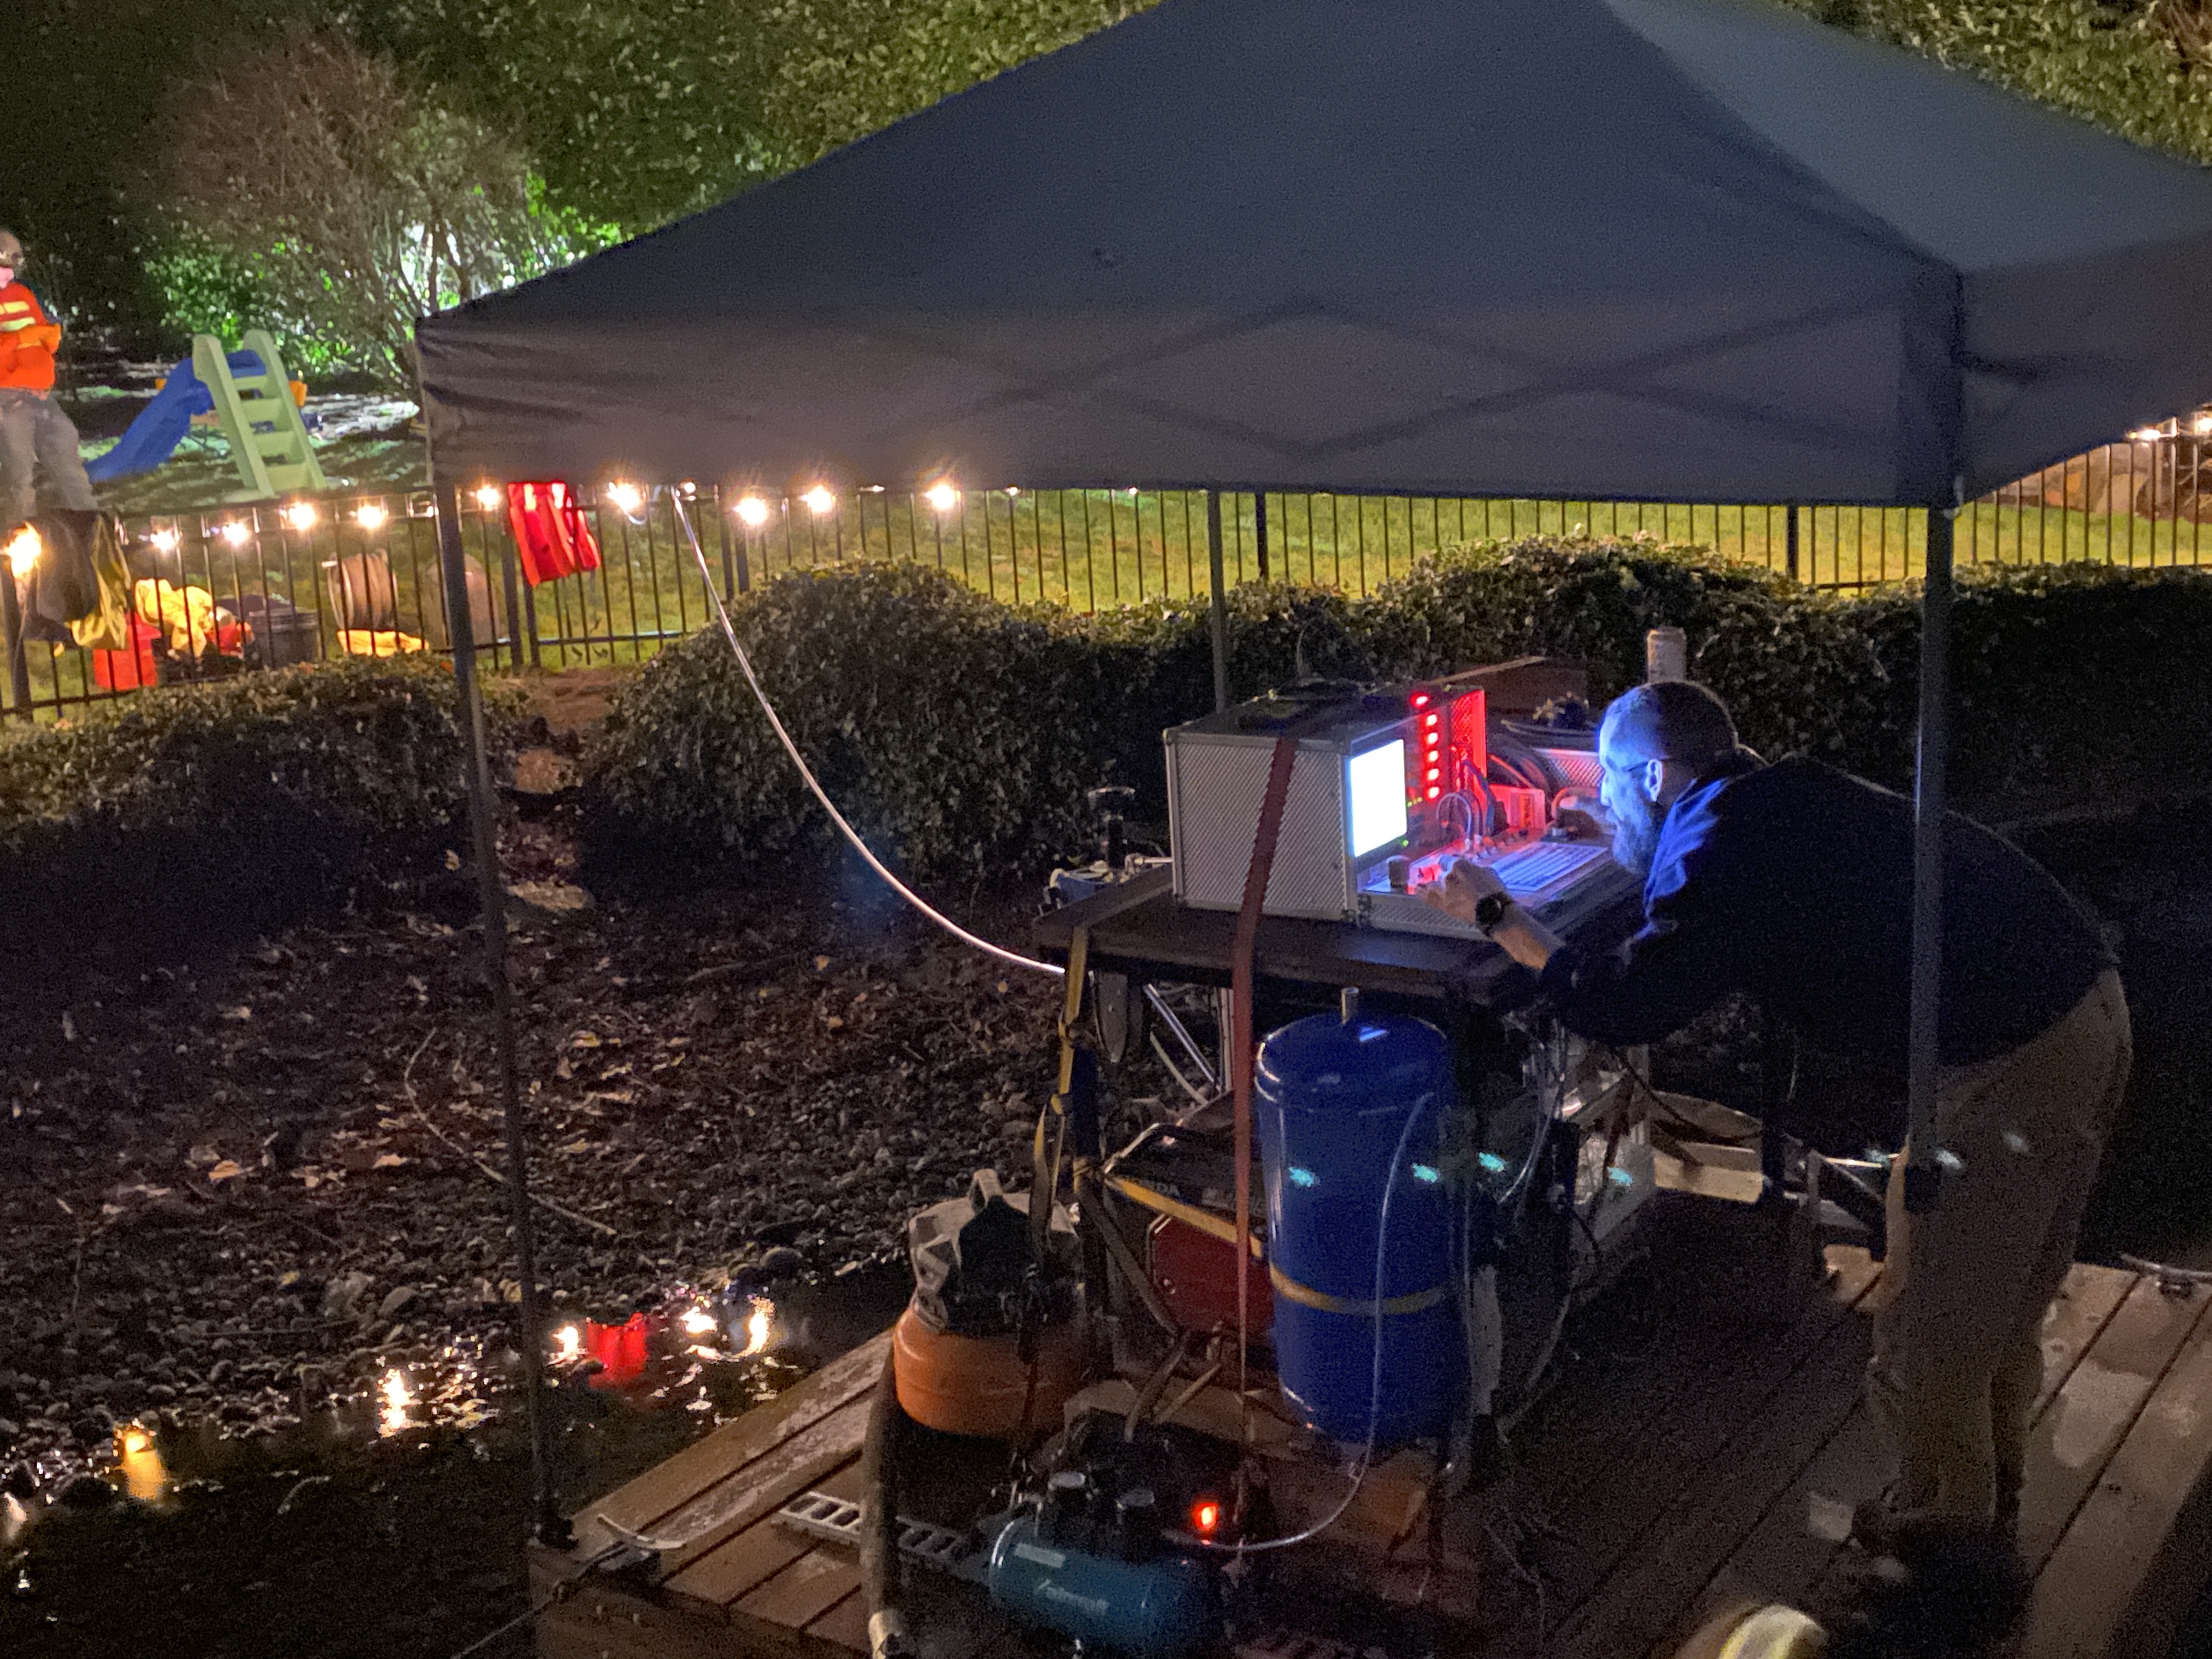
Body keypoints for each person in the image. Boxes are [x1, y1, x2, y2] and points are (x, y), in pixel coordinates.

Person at [1427, 679, 2131, 1542]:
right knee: (1998, 1307)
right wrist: (1615, 846)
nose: (1596, 801)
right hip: (2084, 1006)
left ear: (1654, 778)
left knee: (1926, 1337)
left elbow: (1626, 1005)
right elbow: (1705, 892)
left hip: (2012, 1062)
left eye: (1607, 784)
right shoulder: (1774, 798)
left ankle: (1943, 1559)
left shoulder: (1724, 851)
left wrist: (1495, 911)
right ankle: (1987, 1499)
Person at [0, 227, 99, 535]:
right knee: (19, 476)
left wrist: (50, 336)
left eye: (18, 255)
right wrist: (19, 339)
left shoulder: (22, 294)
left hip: (42, 394)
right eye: (11, 254)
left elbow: (43, 335)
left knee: (68, 459)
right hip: (9, 397)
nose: (18, 261)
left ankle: (92, 538)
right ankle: (18, 553)